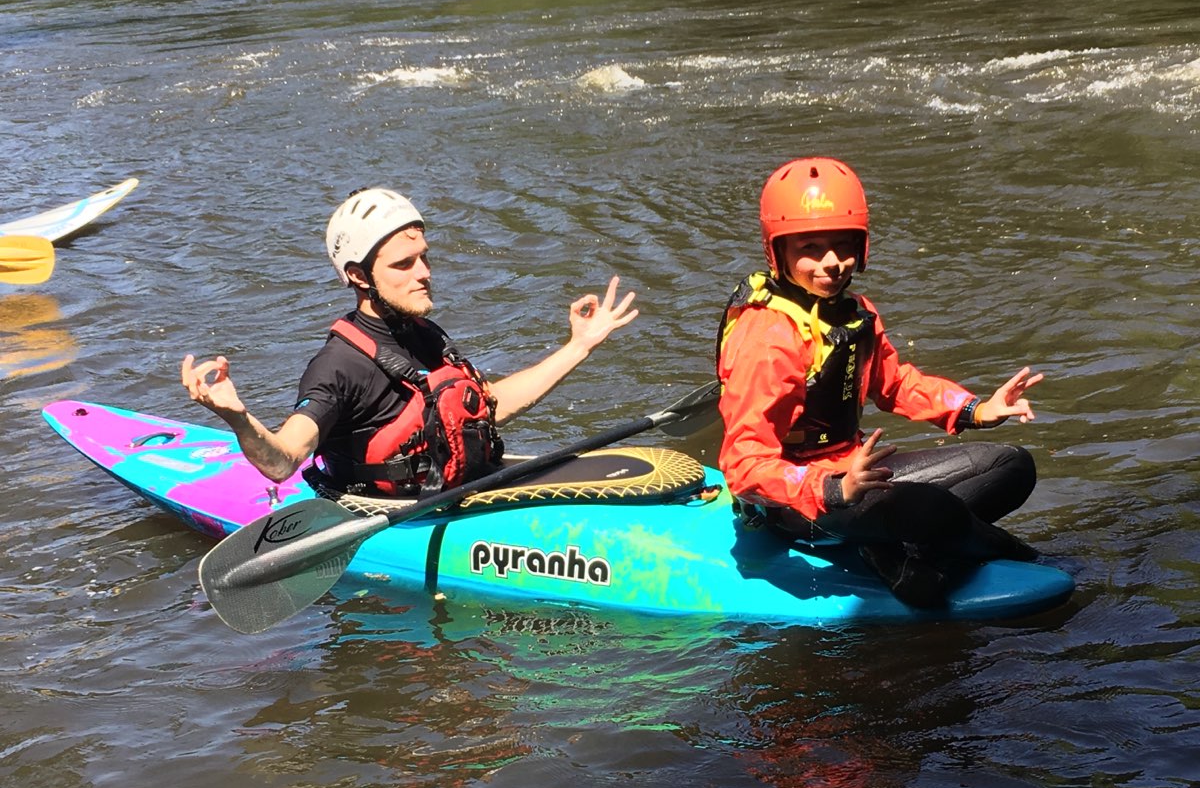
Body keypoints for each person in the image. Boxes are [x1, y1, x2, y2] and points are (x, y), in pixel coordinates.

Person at [716, 157, 1042, 607]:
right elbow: (744, 465)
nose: (831, 263)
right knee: (931, 508)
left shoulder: (853, 313)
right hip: (795, 503)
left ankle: (893, 547)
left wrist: (975, 410)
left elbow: (894, 383)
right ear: (778, 251)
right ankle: (1030, 559)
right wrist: (832, 488)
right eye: (810, 247)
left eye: (843, 244)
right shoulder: (769, 339)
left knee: (1012, 466)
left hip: (855, 471)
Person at [182, 187, 637, 497]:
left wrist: (578, 346)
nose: (425, 273)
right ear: (359, 276)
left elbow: (487, 404)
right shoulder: (338, 367)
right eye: (404, 264)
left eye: (424, 258)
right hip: (395, 514)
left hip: (460, 491)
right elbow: (283, 461)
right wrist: (236, 417)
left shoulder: (422, 332)